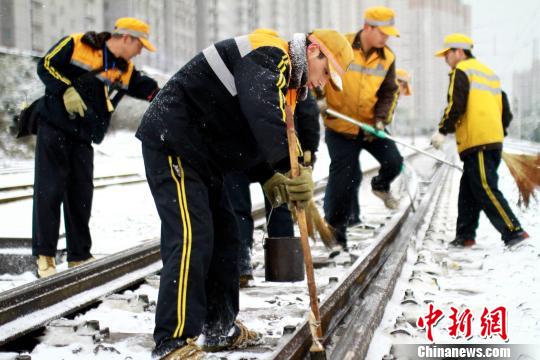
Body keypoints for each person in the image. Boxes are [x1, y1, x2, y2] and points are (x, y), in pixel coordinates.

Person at [135, 29, 353, 359]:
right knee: (192, 238)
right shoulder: (272, 54)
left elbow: (243, 126)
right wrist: (282, 163)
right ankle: (173, 341)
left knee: (226, 238)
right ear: (314, 52)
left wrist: (267, 175)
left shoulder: (287, 80)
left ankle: (220, 327)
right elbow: (259, 106)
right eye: (326, 74)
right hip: (174, 141)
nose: (322, 85)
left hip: (203, 155)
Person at [33, 18, 160, 278]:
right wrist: (66, 90)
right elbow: (45, 65)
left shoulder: (125, 70)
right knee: (50, 189)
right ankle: (45, 256)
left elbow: (151, 91)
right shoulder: (77, 43)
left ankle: (79, 256)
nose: (140, 52)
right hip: (55, 126)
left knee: (81, 193)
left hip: (83, 135)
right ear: (127, 38)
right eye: (140, 45)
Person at [431, 33, 529, 248]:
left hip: (479, 142)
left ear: (458, 51)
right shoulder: (489, 74)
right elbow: (505, 109)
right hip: (488, 140)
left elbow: (456, 105)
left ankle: (514, 232)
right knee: (468, 191)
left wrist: (442, 130)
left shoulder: (461, 71)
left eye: (447, 54)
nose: (445, 59)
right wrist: (498, 131)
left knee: (485, 187)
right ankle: (465, 236)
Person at [320, 6, 404, 249]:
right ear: (368, 27)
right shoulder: (342, 45)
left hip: (369, 126)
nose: (386, 38)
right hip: (340, 127)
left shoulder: (387, 56)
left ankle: (380, 185)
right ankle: (336, 233)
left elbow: (390, 91)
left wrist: (380, 120)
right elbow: (319, 69)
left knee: (393, 161)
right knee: (344, 179)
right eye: (383, 33)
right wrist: (318, 95)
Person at [224, 91, 320, 288]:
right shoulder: (295, 78)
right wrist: (308, 150)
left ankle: (240, 264)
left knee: (237, 209)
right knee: (280, 204)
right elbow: (308, 113)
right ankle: (283, 266)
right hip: (275, 150)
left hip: (239, 145)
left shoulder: (250, 71)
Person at [347, 67, 413, 226]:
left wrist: (379, 125)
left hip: (376, 130)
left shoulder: (394, 96)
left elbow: (385, 115)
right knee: (350, 173)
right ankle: (351, 218)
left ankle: (380, 186)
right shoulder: (380, 88)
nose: (401, 90)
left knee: (395, 161)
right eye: (401, 86)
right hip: (353, 128)